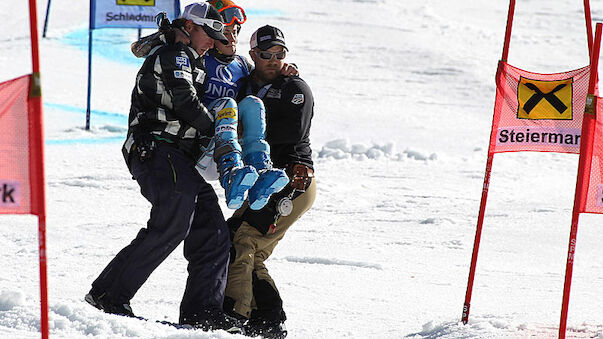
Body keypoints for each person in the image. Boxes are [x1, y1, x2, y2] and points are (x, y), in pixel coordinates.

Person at [85, 2, 245, 332]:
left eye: (218, 35)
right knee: (173, 220)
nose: (213, 41)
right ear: (190, 27)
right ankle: (108, 294)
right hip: (156, 148)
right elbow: (184, 100)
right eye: (210, 33)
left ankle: (203, 312)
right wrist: (216, 129)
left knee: (213, 230)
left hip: (178, 156)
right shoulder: (175, 55)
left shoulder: (191, 58)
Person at [223, 25, 316, 339]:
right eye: (267, 54)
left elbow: (289, 135)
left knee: (242, 238)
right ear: (254, 55)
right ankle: (267, 318)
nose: (274, 60)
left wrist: (243, 129)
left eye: (280, 54)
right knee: (246, 245)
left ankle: (233, 314)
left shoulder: (294, 87)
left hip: (293, 179)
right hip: (262, 182)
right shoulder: (245, 82)